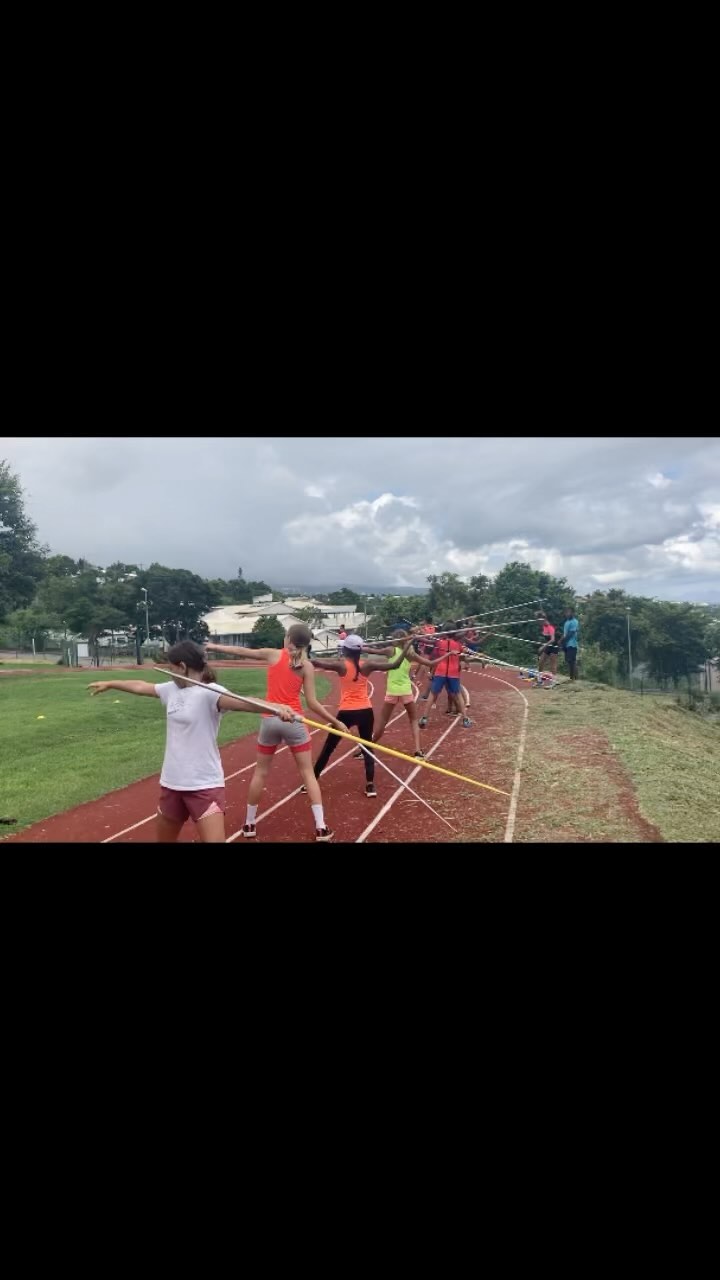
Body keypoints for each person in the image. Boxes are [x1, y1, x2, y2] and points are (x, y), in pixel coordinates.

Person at [87, 640, 297, 844]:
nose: (168, 671)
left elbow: (245, 702)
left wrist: (275, 707)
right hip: (172, 784)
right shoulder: (170, 689)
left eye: (171, 667)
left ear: (182, 667)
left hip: (204, 785)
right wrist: (112, 683)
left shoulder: (210, 693)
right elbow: (141, 686)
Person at [206, 625, 344, 841]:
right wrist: (336, 722)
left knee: (260, 772)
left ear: (288, 639)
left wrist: (212, 645)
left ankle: (249, 824)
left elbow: (243, 652)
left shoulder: (273, 655)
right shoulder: (306, 666)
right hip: (294, 721)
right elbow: (313, 703)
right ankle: (321, 827)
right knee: (308, 774)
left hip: (270, 718)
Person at [310, 633, 416, 797]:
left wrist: (300, 657)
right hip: (365, 711)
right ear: (360, 651)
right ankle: (370, 785)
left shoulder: (341, 665)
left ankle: (311, 780)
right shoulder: (368, 665)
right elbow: (395, 664)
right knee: (367, 748)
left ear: (345, 650)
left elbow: (316, 662)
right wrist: (407, 646)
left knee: (328, 748)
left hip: (346, 712)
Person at [363, 627, 447, 758]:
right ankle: (418, 751)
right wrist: (448, 655)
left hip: (392, 691)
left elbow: (372, 650)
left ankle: (367, 748)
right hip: (406, 691)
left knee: (383, 721)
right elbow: (431, 662)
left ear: (396, 640)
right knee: (413, 720)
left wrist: (359, 647)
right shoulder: (410, 654)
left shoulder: (390, 650)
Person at [419, 624, 473, 728]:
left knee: (433, 694)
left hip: (440, 671)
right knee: (457, 695)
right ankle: (465, 719)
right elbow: (466, 653)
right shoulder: (458, 645)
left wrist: (418, 636)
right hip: (453, 673)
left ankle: (424, 718)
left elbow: (427, 642)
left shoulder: (439, 643)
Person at [536, 611, 559, 676]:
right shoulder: (544, 626)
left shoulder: (550, 627)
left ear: (543, 620)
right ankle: (539, 678)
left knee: (552, 664)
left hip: (554, 646)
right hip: (549, 646)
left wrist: (543, 646)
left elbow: (552, 639)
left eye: (539, 621)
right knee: (541, 661)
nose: (538, 622)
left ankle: (553, 682)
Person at [561, 606, 580, 681]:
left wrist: (564, 641)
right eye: (566, 612)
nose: (567, 614)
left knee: (572, 661)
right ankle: (572, 677)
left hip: (572, 644)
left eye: (569, 612)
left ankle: (573, 678)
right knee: (569, 661)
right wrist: (561, 640)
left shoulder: (574, 621)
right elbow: (565, 633)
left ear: (572, 613)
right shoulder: (566, 622)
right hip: (567, 644)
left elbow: (571, 633)